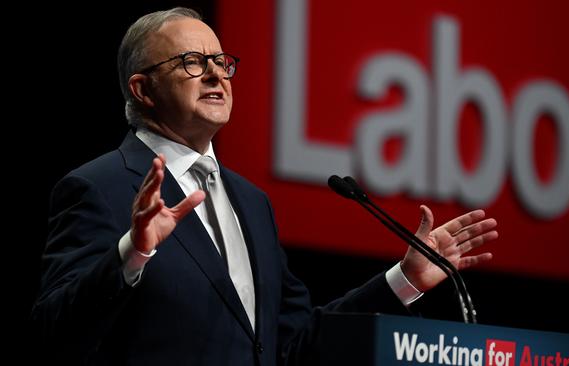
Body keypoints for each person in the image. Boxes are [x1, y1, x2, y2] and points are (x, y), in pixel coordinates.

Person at [31, 7, 498, 365]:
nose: (216, 74)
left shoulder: (252, 203)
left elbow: (293, 340)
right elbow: (54, 332)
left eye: (220, 61)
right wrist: (132, 252)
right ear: (142, 89)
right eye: (192, 62)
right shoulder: (99, 187)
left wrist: (403, 281)